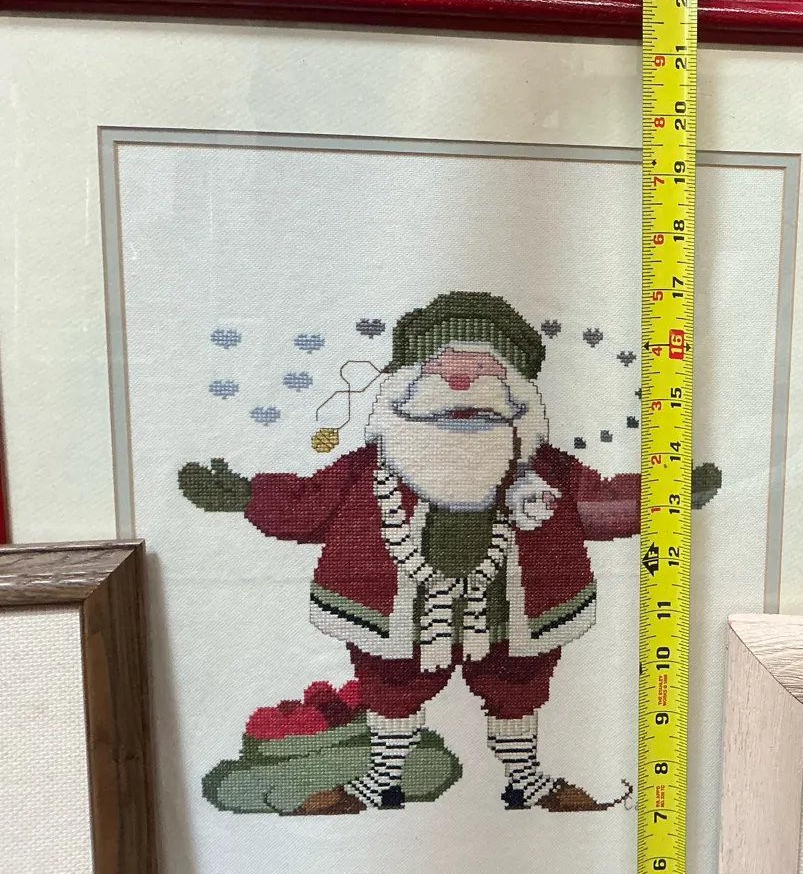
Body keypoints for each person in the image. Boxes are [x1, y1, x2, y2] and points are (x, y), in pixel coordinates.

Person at [179, 291, 720, 814]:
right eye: (442, 366)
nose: (462, 381)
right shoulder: (370, 469)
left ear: (517, 389)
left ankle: (526, 780)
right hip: (394, 615)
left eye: (485, 368)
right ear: (404, 382)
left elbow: (599, 501)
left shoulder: (545, 471)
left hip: (514, 613)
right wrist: (246, 496)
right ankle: (381, 780)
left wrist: (664, 496)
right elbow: (308, 502)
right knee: (390, 684)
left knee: (519, 683)